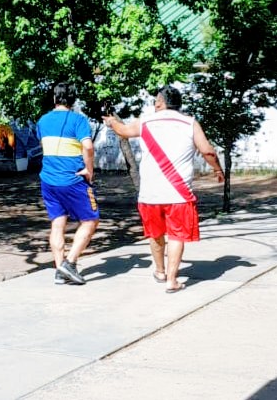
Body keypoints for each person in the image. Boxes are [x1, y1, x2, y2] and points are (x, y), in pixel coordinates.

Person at [103, 85, 224, 293]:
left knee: (155, 234)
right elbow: (208, 151)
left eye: (156, 100)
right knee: (176, 236)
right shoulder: (190, 123)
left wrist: (112, 121)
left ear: (160, 102)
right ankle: (172, 280)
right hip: (179, 193)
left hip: (150, 193)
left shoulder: (145, 121)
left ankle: (160, 271)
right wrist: (217, 170)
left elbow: (123, 131)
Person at [37, 82, 99, 285]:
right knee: (90, 220)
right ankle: (69, 263)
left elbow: (44, 145)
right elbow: (88, 147)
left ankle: (59, 270)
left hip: (48, 180)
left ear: (55, 98)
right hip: (72, 180)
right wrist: (89, 170)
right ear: (73, 100)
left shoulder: (43, 120)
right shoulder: (78, 120)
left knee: (57, 223)